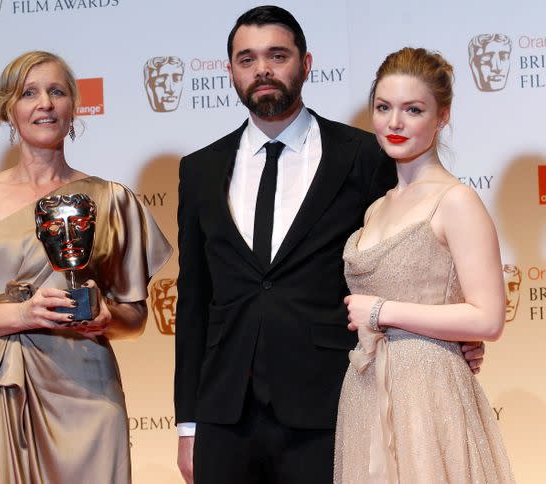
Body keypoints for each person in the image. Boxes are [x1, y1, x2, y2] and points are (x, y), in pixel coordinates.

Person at [173, 6, 485, 483]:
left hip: (330, 405)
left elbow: (409, 254)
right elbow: (193, 302)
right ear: (230, 70)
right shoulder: (199, 170)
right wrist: (188, 424)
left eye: (277, 55)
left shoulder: (364, 156)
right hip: (224, 413)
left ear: (306, 63)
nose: (262, 70)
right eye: (247, 58)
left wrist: (454, 335)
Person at [0, 50, 171, 483]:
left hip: (87, 395)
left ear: (73, 108)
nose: (44, 103)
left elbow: (134, 318)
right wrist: (22, 314)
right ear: (9, 109)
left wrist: (105, 317)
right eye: (29, 93)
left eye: (56, 92)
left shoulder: (111, 199)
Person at [334, 47, 515, 483]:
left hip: (429, 397)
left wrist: (381, 312)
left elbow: (488, 318)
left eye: (413, 109)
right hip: (366, 389)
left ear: (442, 116)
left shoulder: (456, 201)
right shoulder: (377, 207)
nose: (394, 123)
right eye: (383, 108)